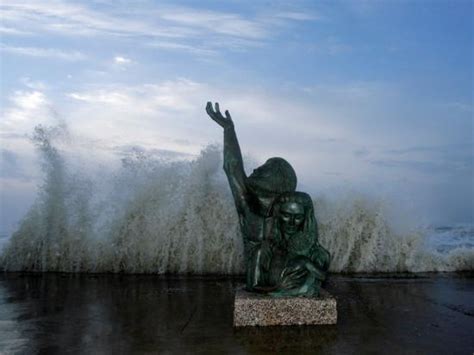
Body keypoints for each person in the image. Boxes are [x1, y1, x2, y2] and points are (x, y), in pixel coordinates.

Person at [205, 102, 297, 291]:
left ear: (275, 180)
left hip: (287, 276)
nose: (255, 169)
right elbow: (232, 168)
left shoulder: (291, 212)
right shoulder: (248, 206)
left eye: (262, 169)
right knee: (261, 250)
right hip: (259, 279)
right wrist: (229, 130)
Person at [267, 191, 330, 297]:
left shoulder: (317, 254)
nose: (291, 222)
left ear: (306, 219)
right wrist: (277, 287)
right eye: (286, 215)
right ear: (277, 215)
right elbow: (252, 286)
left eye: (298, 217)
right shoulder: (264, 251)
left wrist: (306, 263)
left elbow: (321, 277)